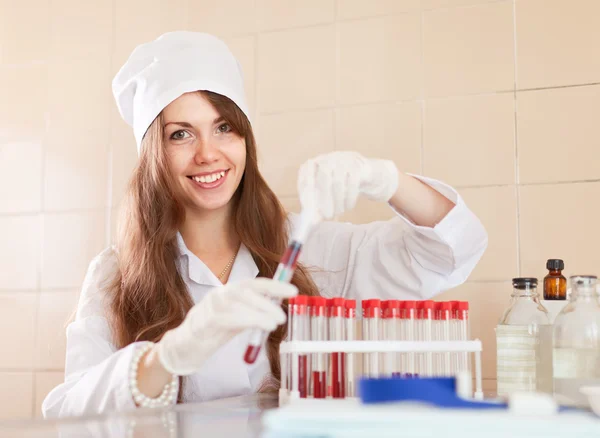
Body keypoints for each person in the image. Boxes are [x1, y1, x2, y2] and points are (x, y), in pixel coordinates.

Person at [42, 31, 487, 418]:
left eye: (224, 128)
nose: (207, 153)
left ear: (245, 139)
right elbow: (69, 413)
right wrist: (168, 356)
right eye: (181, 133)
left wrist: (387, 179)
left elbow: (449, 253)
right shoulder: (115, 276)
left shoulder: (306, 247)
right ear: (153, 155)